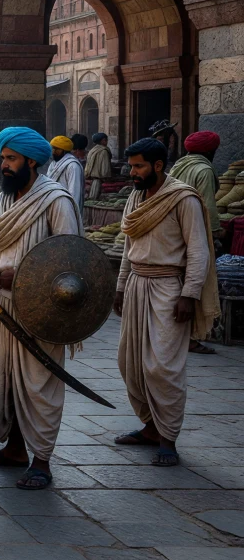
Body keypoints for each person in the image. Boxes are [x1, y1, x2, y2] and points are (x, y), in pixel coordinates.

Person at [0, 127, 80, 490]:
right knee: (2, 378)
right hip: (4, 307)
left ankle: (41, 461)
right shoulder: (4, 198)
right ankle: (13, 450)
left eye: (11, 159)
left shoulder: (56, 201)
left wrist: (24, 276)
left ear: (31, 161)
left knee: (39, 384)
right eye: (3, 159)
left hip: (43, 309)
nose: (5, 166)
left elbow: (70, 260)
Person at [113, 138, 216, 468]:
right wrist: (120, 286)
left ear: (158, 165)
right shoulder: (135, 195)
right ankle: (149, 429)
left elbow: (198, 250)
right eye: (131, 166)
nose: (133, 172)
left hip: (169, 288)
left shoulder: (182, 198)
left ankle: (168, 438)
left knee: (163, 367)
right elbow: (130, 245)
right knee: (131, 363)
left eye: (139, 166)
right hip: (137, 285)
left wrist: (189, 294)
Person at [171, 131, 223, 356]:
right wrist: (217, 233)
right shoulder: (203, 170)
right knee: (197, 283)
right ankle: (192, 337)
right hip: (195, 231)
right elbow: (208, 207)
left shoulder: (178, 165)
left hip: (175, 230)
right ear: (211, 151)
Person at [47, 135, 85, 220]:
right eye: (53, 149)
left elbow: (74, 192)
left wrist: (69, 211)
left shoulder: (73, 165)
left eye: (57, 149)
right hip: (52, 205)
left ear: (64, 151)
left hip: (66, 208)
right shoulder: (53, 164)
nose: (53, 152)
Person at [86, 132, 112, 199]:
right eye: (106, 140)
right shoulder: (104, 151)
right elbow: (105, 169)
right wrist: (107, 178)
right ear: (103, 140)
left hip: (92, 180)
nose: (106, 142)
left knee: (92, 198)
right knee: (96, 198)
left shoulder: (91, 151)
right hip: (99, 181)